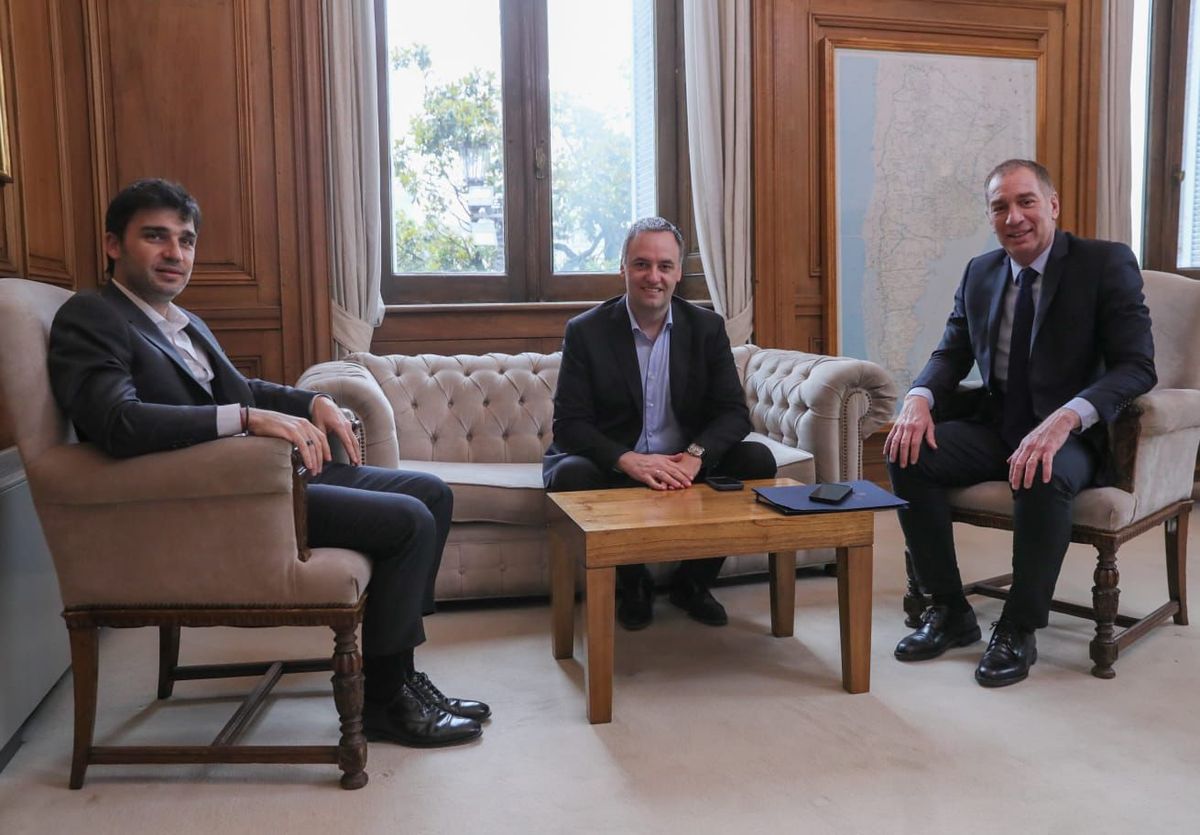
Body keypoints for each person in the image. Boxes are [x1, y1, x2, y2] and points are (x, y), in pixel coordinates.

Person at [48, 178, 489, 746]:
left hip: (261, 481)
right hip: (215, 504)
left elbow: (241, 387)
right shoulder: (92, 317)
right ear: (113, 244)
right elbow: (117, 422)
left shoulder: (182, 322)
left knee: (432, 493)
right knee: (409, 520)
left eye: (185, 240)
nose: (174, 254)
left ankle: (398, 673)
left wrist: (313, 401)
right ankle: (383, 701)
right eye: (155, 237)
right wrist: (247, 419)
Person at [885, 159, 1156, 687]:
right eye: (1000, 206)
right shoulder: (981, 272)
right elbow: (951, 352)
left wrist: (1067, 417)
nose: (1014, 217)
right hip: (1000, 424)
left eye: (1026, 202)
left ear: (1052, 205)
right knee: (905, 452)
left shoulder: (1103, 264)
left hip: (1073, 434)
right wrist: (917, 398)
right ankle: (950, 610)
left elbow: (1137, 365)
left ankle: (1018, 626)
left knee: (1041, 471)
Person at [543, 217, 776, 631]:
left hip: (683, 461)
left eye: (664, 266)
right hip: (620, 463)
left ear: (678, 273)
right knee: (569, 474)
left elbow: (733, 413)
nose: (654, 277)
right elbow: (569, 425)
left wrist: (694, 457)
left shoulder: (706, 328)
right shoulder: (586, 331)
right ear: (623, 269)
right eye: (641, 264)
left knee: (756, 459)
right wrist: (627, 460)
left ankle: (694, 583)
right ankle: (633, 585)